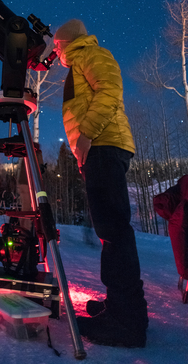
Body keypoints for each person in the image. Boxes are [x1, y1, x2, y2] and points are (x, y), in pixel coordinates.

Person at [53, 19, 148, 348]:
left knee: (115, 232)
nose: (54, 49)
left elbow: (110, 91)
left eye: (56, 43)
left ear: (69, 41)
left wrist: (87, 135)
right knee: (111, 230)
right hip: (98, 149)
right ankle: (119, 306)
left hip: (104, 145)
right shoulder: (80, 61)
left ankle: (127, 322)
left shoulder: (93, 54)